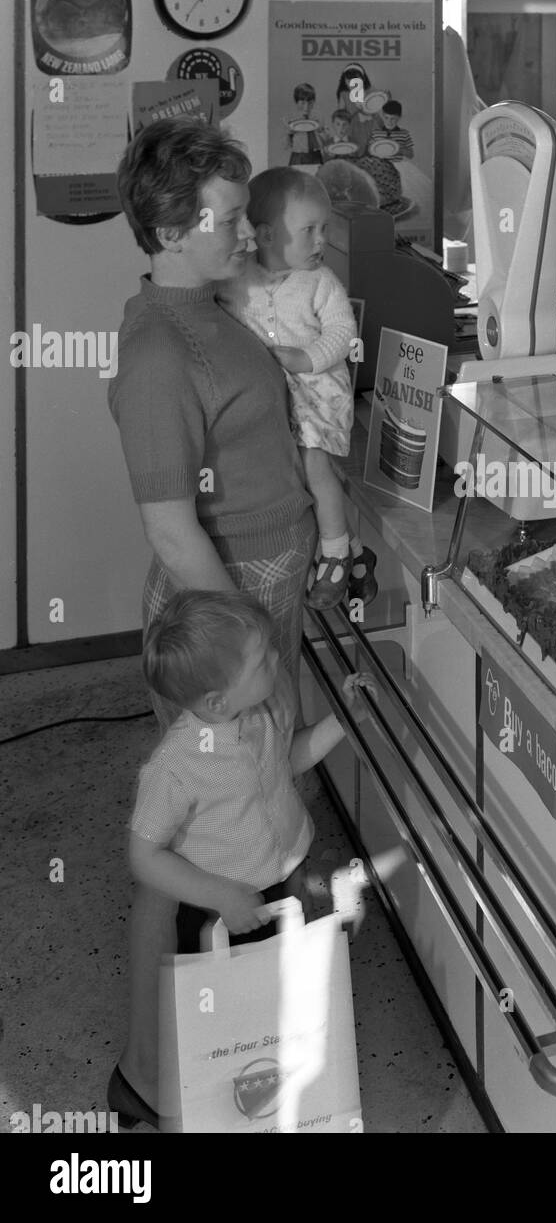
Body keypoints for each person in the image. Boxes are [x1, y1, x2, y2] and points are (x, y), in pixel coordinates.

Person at [107, 117, 318, 1129]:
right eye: (230, 218)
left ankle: (228, 1045)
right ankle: (147, 1076)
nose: (247, 232)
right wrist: (253, 662)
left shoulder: (204, 303)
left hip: (257, 604)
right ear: (172, 223)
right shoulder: (158, 345)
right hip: (220, 635)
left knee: (232, 825)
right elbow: (172, 528)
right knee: (185, 846)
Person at [111, 590, 376, 1128]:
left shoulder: (264, 711)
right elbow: (144, 855)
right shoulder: (176, 767)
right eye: (263, 659)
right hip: (222, 908)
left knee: (277, 1005)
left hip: (284, 882)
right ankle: (214, 1106)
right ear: (214, 702)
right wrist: (219, 896)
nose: (278, 659)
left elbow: (286, 764)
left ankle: (281, 1102)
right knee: (224, 1016)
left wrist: (340, 722)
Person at [220, 167, 377, 608]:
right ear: (266, 235)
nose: (321, 241)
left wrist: (304, 359)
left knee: (314, 466)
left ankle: (334, 556)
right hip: (274, 397)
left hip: (317, 393)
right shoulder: (237, 280)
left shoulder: (320, 282)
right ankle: (359, 556)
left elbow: (343, 331)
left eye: (324, 229)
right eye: (308, 230)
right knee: (294, 476)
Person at [285, 81, 325, 167]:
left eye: (310, 103)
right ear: (296, 103)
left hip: (315, 155)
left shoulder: (318, 120)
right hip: (298, 156)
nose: (306, 107)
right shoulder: (292, 122)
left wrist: (321, 132)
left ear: (313, 102)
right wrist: (289, 133)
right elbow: (286, 146)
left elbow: (325, 142)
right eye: (302, 103)